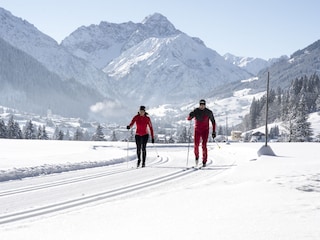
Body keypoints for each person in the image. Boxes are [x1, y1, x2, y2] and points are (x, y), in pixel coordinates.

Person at [187, 99, 216, 167]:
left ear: (205, 105)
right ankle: (196, 158)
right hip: (197, 130)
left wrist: (214, 131)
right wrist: (190, 115)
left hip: (205, 131)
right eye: (201, 105)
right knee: (196, 145)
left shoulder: (208, 112)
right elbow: (188, 119)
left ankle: (204, 161)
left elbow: (213, 122)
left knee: (204, 145)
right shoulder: (196, 111)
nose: (202, 106)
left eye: (203, 105)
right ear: (199, 105)